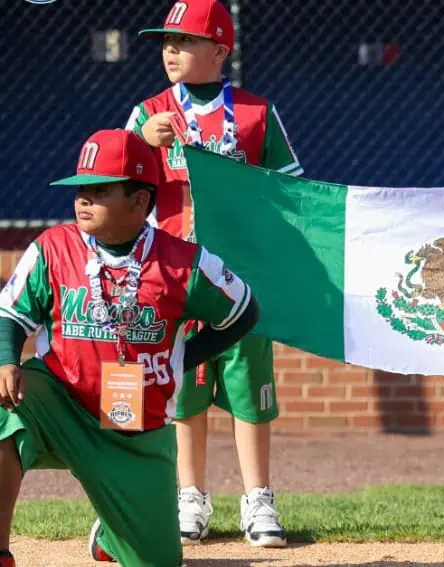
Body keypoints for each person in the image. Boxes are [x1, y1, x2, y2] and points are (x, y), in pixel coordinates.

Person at [0, 129, 259, 566]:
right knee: (3, 406)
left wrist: (183, 358)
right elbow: (9, 315)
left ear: (140, 201)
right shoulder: (52, 247)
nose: (82, 199)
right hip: (60, 403)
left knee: (157, 560)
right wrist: (7, 360)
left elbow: (243, 311)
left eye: (99, 190)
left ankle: (115, 534)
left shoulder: (184, 261)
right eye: (81, 189)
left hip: (136, 430)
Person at [125, 0, 303, 547]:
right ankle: (190, 497)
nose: (170, 51)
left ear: (221, 51)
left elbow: (291, 190)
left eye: (184, 41)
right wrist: (143, 147)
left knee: (248, 388)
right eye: (164, 42)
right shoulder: (148, 113)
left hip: (240, 277)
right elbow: (119, 191)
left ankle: (258, 498)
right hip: (173, 278)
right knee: (182, 387)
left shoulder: (254, 112)